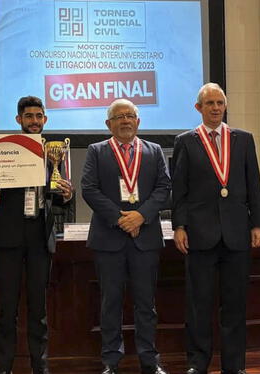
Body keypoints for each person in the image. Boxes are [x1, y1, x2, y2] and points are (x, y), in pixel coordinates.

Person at [171, 83, 260, 374]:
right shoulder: (186, 141)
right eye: (209, 103)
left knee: (235, 305)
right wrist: (179, 225)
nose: (215, 108)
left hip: (237, 233)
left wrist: (258, 223)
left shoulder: (244, 139)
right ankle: (197, 363)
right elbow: (180, 189)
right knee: (199, 305)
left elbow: (254, 185)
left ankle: (234, 365)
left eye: (220, 102)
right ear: (198, 108)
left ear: (225, 106)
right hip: (199, 234)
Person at [81, 99, 171, 374]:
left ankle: (149, 359)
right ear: (109, 124)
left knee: (146, 303)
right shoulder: (96, 151)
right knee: (110, 303)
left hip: (145, 239)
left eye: (130, 115)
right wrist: (121, 219)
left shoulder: (154, 151)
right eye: (119, 117)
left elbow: (164, 187)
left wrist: (141, 216)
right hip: (109, 239)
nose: (125, 121)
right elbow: (89, 189)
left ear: (138, 122)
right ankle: (110, 360)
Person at [0, 96, 73, 374]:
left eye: (39, 116)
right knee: (6, 310)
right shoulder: (5, 151)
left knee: (39, 310)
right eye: (29, 116)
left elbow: (59, 200)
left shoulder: (55, 152)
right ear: (18, 120)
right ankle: (4, 368)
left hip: (40, 238)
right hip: (9, 238)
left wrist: (67, 196)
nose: (34, 121)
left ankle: (41, 368)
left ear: (45, 119)